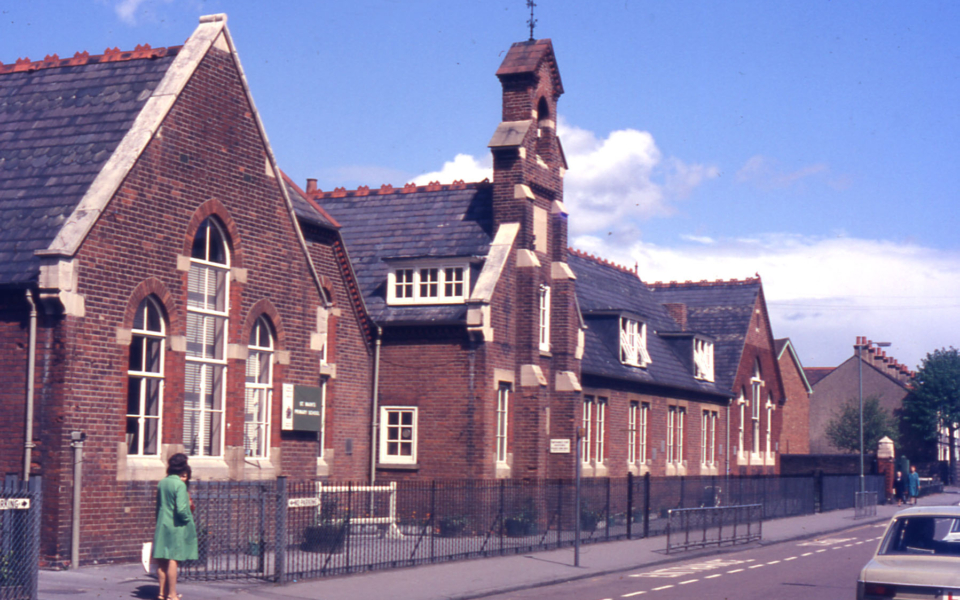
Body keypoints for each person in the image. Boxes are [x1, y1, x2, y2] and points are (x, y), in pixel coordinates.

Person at [154, 453, 198, 600]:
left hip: (162, 524)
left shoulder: (162, 482)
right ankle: (172, 594)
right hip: (176, 525)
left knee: (161, 559)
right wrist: (188, 518)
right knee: (173, 559)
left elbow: (159, 507)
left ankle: (161, 593)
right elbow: (181, 509)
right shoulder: (179, 484)